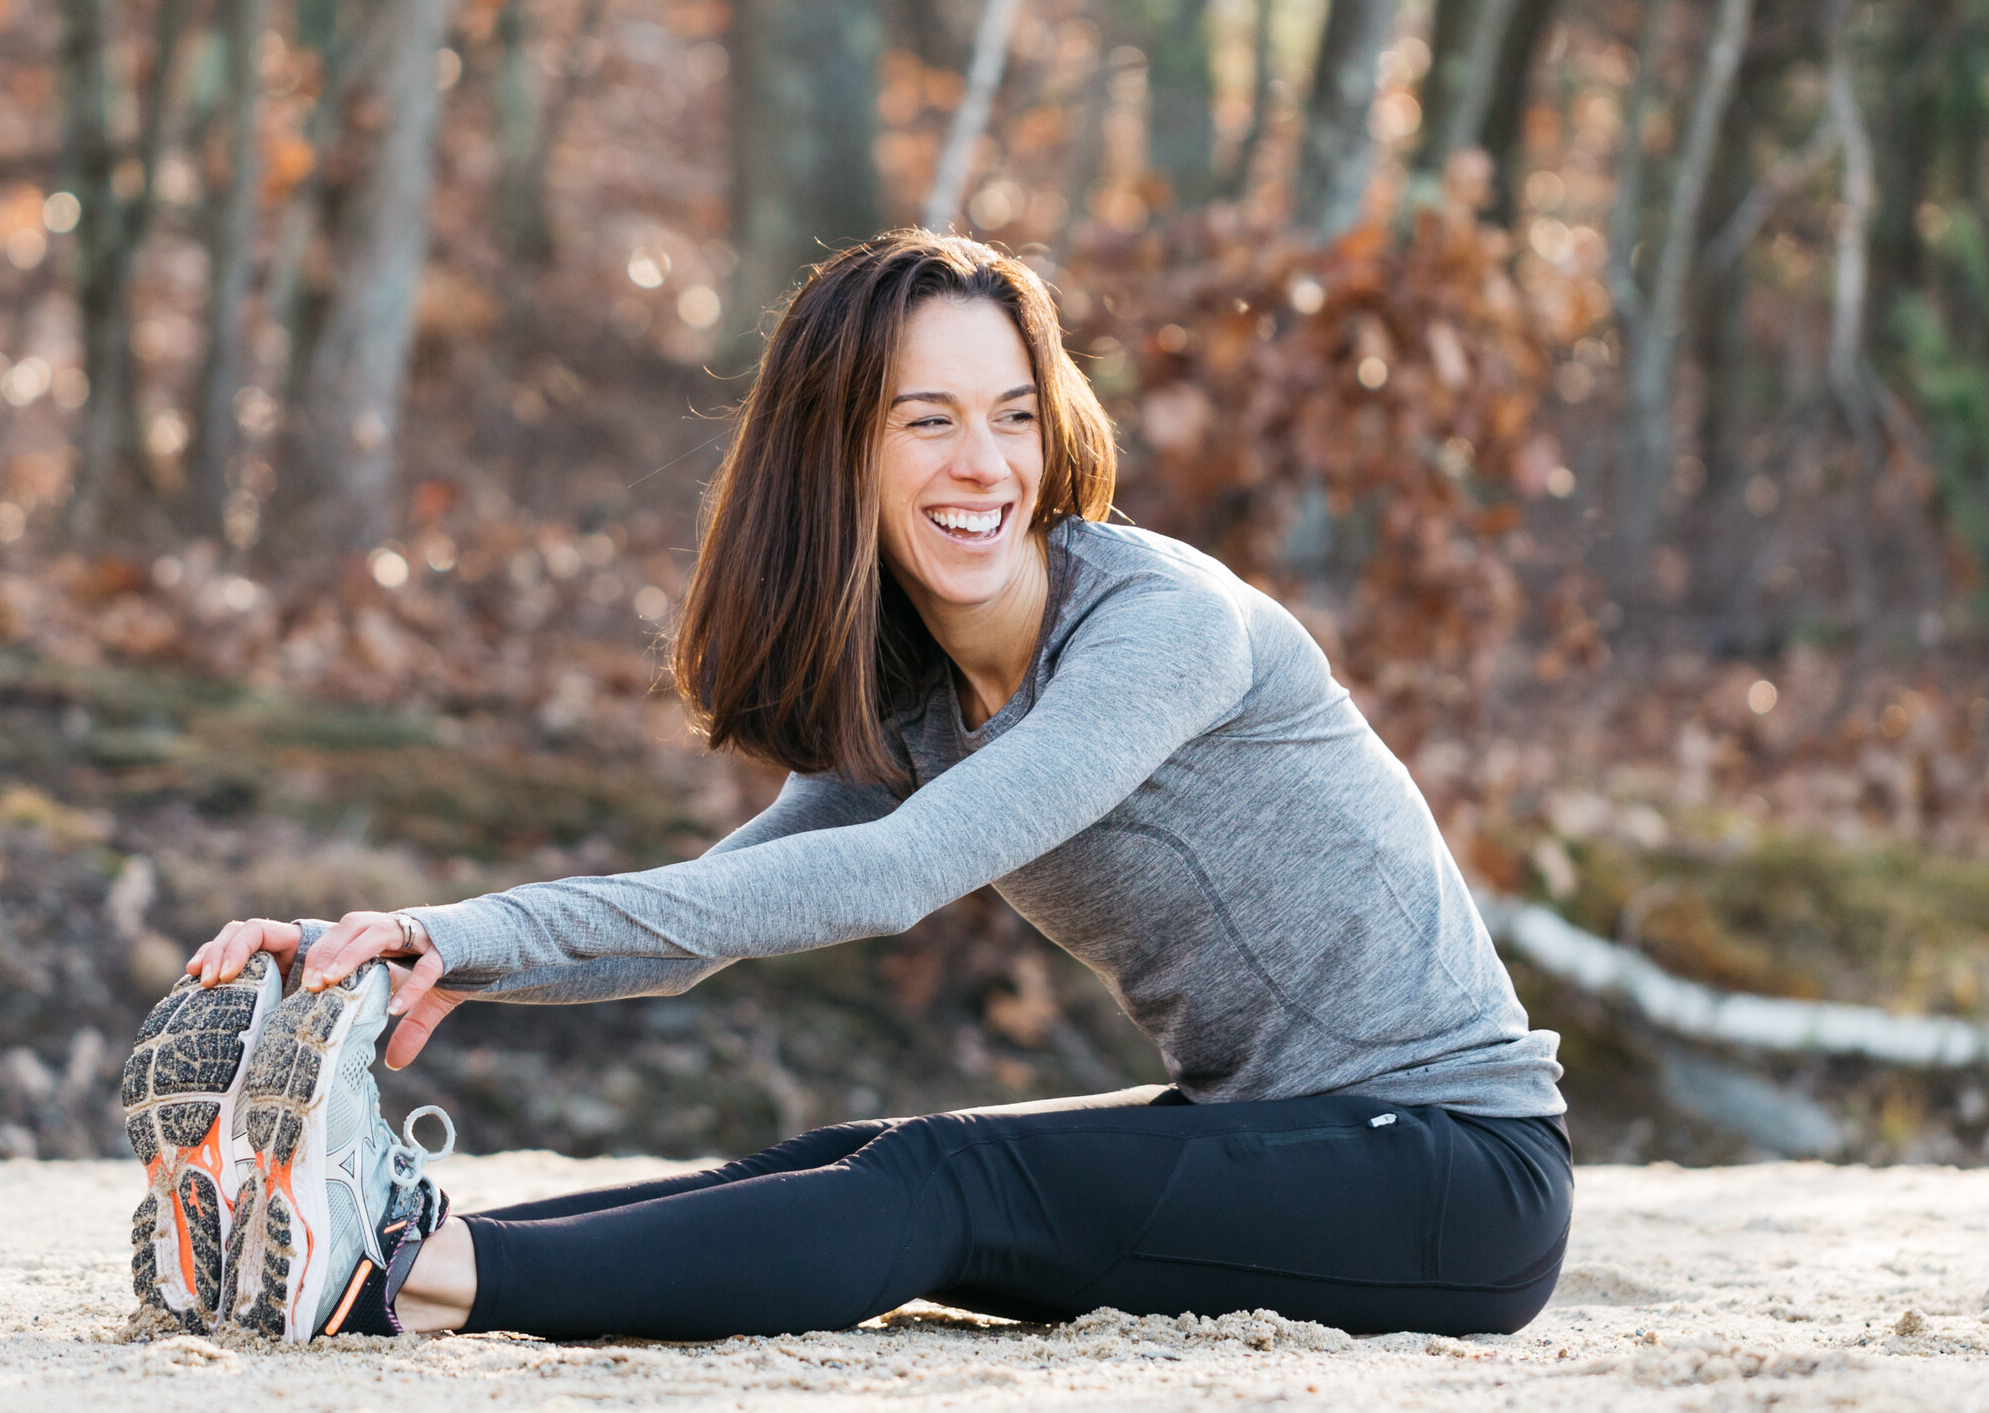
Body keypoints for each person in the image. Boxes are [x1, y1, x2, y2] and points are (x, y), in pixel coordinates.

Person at [125, 229, 1570, 1346]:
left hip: (1451, 1169)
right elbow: (719, 912)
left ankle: (401, 1276)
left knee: (946, 1186)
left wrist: (477, 936)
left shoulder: (1162, 627)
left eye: (1011, 413)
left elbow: (888, 878)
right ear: (842, 451)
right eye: (926, 420)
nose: (984, 464)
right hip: (1305, 1143)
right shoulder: (922, 696)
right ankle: (357, 1247)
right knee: (846, 1160)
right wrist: (426, 942)